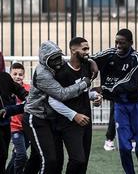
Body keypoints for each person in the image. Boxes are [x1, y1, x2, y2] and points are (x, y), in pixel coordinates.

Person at [22, 41, 91, 174]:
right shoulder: (43, 74)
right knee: (49, 160)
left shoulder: (56, 65)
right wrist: (83, 84)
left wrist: (92, 62)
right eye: (53, 59)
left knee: (38, 158)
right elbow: (61, 94)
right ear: (45, 60)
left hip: (49, 119)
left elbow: (75, 61)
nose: (58, 61)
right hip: (36, 118)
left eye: (59, 57)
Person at [92, 29, 138, 174]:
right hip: (120, 106)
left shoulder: (136, 57)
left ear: (131, 43)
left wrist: (104, 89)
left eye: (122, 43)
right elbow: (90, 60)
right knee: (124, 148)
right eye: (116, 42)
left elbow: (131, 82)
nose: (118, 46)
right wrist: (91, 66)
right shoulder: (109, 54)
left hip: (137, 105)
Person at [46, 37, 100, 174]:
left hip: (86, 120)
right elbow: (53, 100)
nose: (87, 52)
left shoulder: (87, 66)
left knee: (83, 163)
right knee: (78, 160)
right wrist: (74, 115)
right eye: (84, 49)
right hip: (69, 123)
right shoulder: (62, 72)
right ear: (73, 50)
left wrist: (94, 96)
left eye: (88, 48)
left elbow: (82, 92)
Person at [8, 62, 30, 174]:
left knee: (17, 155)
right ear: (10, 74)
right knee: (21, 155)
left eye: (20, 74)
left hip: (28, 128)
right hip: (14, 128)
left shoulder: (28, 89)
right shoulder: (7, 90)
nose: (18, 77)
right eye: (15, 74)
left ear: (24, 76)